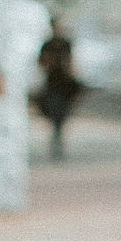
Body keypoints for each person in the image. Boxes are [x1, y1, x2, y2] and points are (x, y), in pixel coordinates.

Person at [35, 21, 81, 160]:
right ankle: (55, 143)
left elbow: (71, 62)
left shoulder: (66, 44)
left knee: (61, 115)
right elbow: (41, 63)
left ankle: (58, 142)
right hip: (52, 84)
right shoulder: (48, 45)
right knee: (54, 112)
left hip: (64, 85)